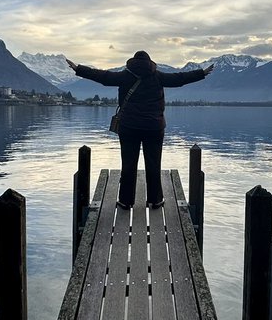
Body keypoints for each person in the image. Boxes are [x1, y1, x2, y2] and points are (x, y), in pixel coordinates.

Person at [66, 50, 213, 209]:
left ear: (132, 62)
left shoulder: (124, 76)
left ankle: (125, 201)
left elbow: (101, 76)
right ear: (150, 63)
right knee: (154, 164)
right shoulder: (158, 76)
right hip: (154, 128)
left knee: (128, 164)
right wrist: (201, 73)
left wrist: (78, 69)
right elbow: (180, 78)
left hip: (129, 127)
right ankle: (155, 200)